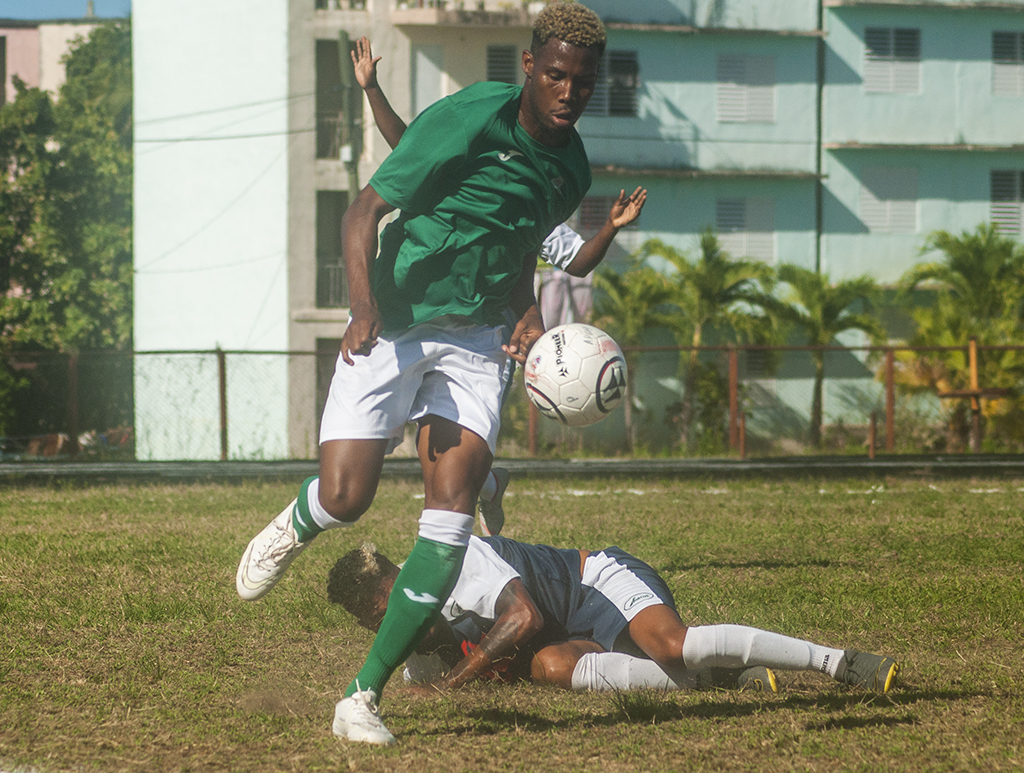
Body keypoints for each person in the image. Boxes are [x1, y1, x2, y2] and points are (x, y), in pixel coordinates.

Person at [235, 2, 609, 746]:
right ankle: (297, 522)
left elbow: (515, 251)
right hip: (395, 319)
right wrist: (363, 303)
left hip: (474, 342)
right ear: (530, 66)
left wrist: (526, 316)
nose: (569, 93)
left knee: (449, 516)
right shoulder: (469, 118)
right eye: (558, 75)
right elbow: (363, 211)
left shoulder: (571, 172)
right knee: (348, 496)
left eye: (584, 83)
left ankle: (360, 696)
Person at [349, 34, 646, 537]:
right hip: (421, 307)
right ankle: (488, 487)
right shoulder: (472, 164)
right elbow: (407, 145)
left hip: (489, 320)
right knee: (431, 451)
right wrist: (373, 90)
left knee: (448, 447)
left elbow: (575, 264)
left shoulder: (540, 210)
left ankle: (472, 510)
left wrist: (610, 228)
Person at [326, 516, 900, 696]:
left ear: (400, 580)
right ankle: (724, 679)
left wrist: (453, 684)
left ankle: (842, 663)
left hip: (592, 583)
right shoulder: (416, 654)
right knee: (548, 668)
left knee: (675, 646)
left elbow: (524, 617)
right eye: (373, 624)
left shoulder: (453, 563)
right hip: (568, 633)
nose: (389, 626)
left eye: (384, 610)